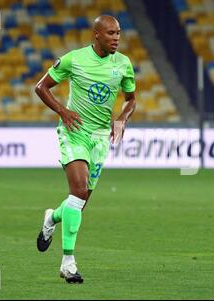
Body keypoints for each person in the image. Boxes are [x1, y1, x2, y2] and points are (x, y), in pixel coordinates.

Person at [34, 15, 136, 284]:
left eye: (119, 33)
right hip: (74, 131)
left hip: (101, 137)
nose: (116, 38)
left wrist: (122, 118)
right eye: (111, 33)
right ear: (97, 35)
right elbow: (41, 87)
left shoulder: (124, 64)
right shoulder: (74, 59)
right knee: (78, 192)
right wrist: (63, 111)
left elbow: (131, 99)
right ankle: (68, 263)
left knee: (79, 203)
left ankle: (52, 218)